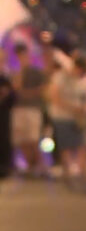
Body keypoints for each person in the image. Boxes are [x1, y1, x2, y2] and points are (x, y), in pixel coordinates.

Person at [47, 57, 86, 181]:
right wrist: (72, 108)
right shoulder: (60, 77)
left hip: (76, 117)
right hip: (62, 117)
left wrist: (82, 108)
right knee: (66, 145)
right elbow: (54, 97)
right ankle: (68, 171)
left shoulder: (77, 80)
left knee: (81, 143)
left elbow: (82, 96)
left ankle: (81, 170)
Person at [11, 44, 49, 177]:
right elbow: (16, 88)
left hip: (33, 108)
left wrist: (27, 93)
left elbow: (42, 89)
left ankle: (41, 166)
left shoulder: (37, 72)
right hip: (19, 109)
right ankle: (30, 166)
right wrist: (21, 70)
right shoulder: (16, 72)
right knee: (22, 139)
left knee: (33, 138)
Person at [0, 49, 13, 179]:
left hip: (3, 114)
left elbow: (12, 96)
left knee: (4, 139)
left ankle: (4, 167)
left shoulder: (5, 78)